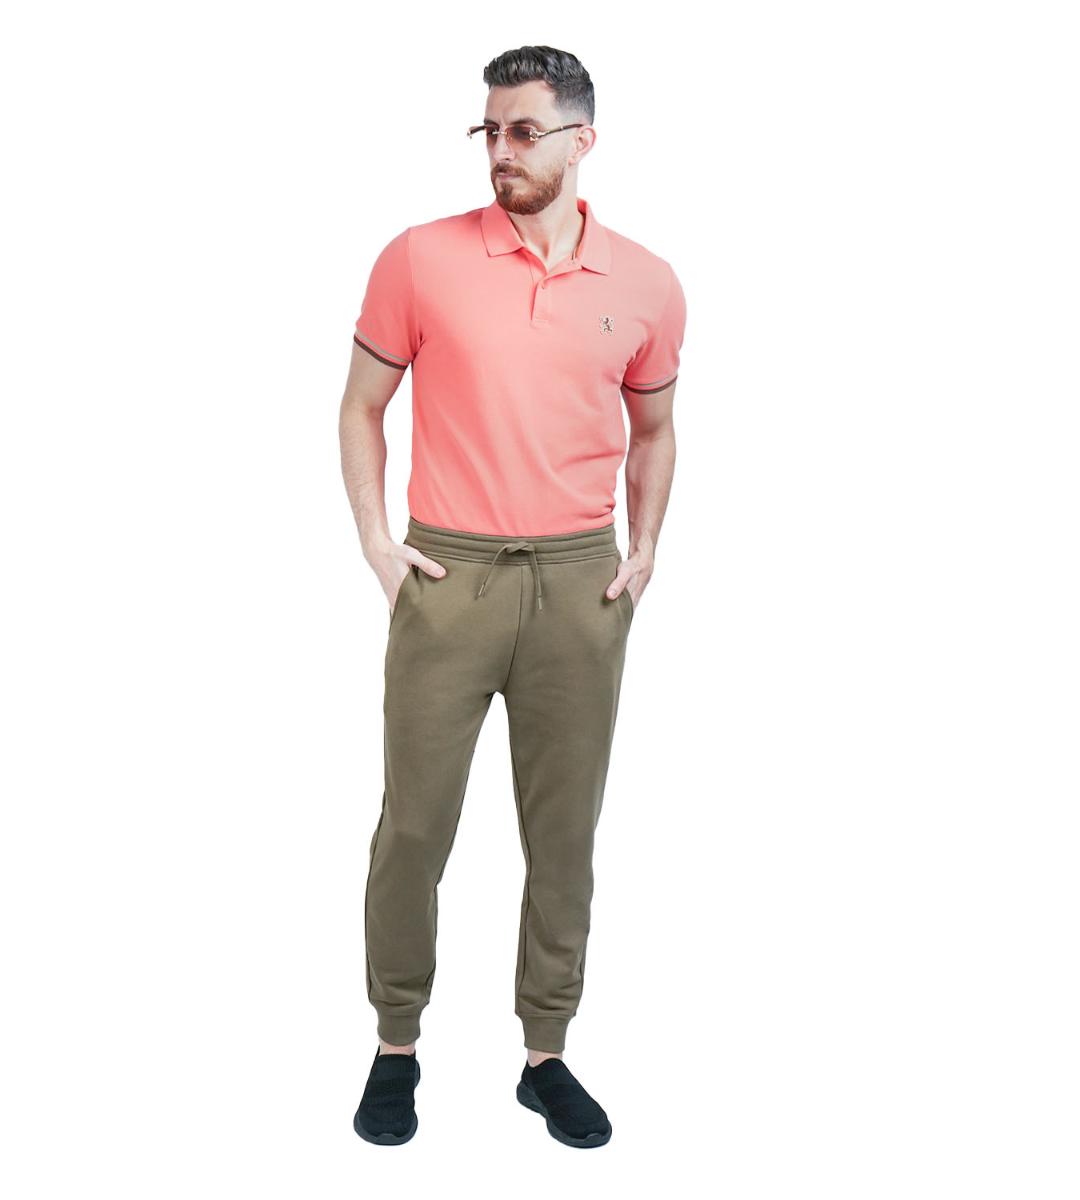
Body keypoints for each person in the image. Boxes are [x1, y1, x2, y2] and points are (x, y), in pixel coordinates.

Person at [340, 45, 687, 1149]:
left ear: (583, 140)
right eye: (488, 130)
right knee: (413, 828)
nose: (501, 150)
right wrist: (379, 544)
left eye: (524, 131)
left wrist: (643, 550)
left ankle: (547, 1054)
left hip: (581, 587)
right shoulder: (419, 259)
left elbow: (655, 430)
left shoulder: (646, 282)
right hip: (450, 577)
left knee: (564, 835)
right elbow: (361, 407)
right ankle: (396, 1044)